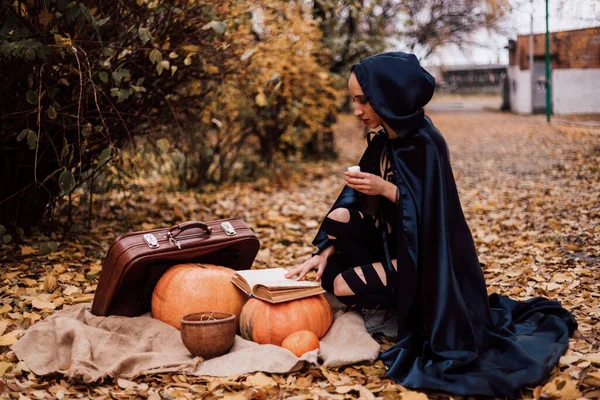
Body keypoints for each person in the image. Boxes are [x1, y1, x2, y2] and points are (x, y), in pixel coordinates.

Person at [285, 52, 577, 398]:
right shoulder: (381, 143)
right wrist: (325, 250)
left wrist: (388, 190)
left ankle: (395, 309)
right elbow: (350, 205)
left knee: (342, 285)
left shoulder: (426, 143)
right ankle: (383, 296)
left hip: (428, 260)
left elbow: (437, 218)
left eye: (363, 100)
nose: (356, 110)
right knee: (337, 228)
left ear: (387, 97)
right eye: (353, 100)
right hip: (389, 244)